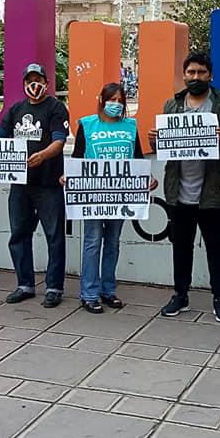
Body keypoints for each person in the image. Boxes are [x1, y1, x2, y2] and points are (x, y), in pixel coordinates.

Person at [149, 51, 220, 324]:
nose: (196, 77)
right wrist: (156, 140)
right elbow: (163, 145)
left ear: (210, 75)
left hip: (213, 191)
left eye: (201, 72)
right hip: (178, 191)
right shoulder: (172, 105)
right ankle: (180, 295)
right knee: (180, 247)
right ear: (184, 75)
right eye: (191, 73)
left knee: (216, 248)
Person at [64, 82, 157, 313]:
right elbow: (77, 158)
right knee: (93, 242)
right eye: (111, 99)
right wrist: (69, 176)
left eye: (119, 100)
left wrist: (147, 178)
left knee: (113, 243)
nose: (115, 104)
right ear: (101, 100)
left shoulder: (130, 126)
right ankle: (89, 293)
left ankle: (108, 290)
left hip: (121, 196)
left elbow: (137, 158)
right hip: (93, 196)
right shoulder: (87, 125)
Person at [0, 63, 70, 308]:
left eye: (38, 80)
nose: (34, 85)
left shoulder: (56, 108)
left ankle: (54, 287)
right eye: (29, 80)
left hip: (49, 183)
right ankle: (24, 284)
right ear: (24, 84)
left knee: (54, 236)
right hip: (20, 185)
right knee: (18, 234)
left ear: (47, 83)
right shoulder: (16, 109)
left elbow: (59, 141)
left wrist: (43, 155)